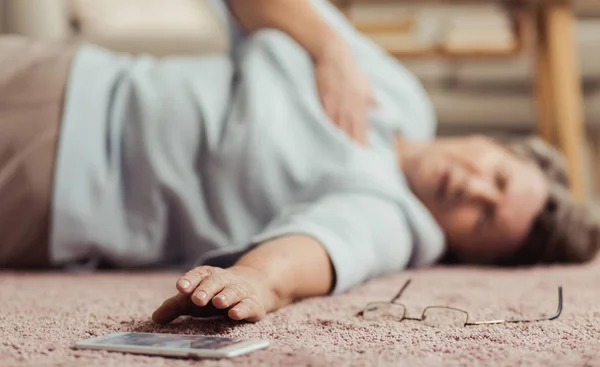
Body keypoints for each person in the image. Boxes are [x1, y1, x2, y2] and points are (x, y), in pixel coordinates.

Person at [0, 0, 598, 324]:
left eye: (485, 217)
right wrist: (329, 47)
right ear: (495, 143)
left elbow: (323, 246)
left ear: (467, 254)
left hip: (50, 183)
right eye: (495, 175)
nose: (472, 188)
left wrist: (258, 280)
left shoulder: (394, 218)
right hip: (72, 76)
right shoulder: (405, 98)